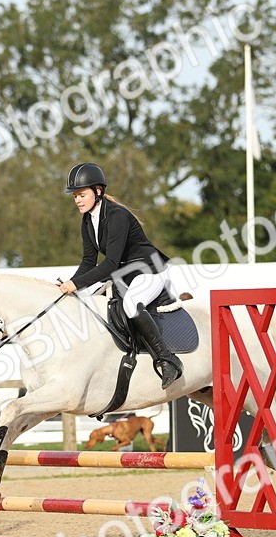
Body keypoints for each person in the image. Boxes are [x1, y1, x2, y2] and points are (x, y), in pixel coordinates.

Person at [56, 162, 183, 388]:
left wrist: (76, 284)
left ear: (98, 191)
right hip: (127, 273)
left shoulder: (117, 216)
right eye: (75, 196)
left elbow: (111, 263)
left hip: (149, 269)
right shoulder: (87, 221)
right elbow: (88, 262)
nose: (77, 200)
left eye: (81, 194)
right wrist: (70, 285)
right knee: (93, 299)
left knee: (132, 303)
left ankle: (168, 360)